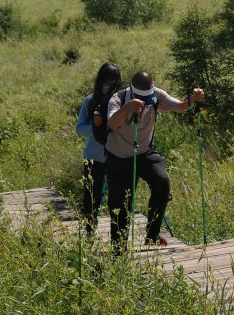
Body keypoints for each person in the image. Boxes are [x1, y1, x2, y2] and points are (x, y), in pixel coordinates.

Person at [105, 71, 205, 251]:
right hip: (119, 156)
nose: (145, 102)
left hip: (144, 151)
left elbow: (182, 106)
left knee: (162, 184)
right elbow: (112, 123)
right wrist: (127, 108)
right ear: (132, 91)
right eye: (141, 99)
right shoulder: (118, 98)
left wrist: (193, 99)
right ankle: (118, 247)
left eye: (148, 97)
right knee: (119, 204)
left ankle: (152, 234)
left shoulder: (157, 95)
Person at [75, 61, 121, 235]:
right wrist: (97, 129)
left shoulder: (122, 101)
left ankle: (117, 235)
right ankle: (89, 234)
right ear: (100, 80)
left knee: (117, 199)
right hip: (93, 157)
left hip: (116, 156)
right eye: (105, 80)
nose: (108, 84)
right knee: (91, 199)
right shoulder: (89, 100)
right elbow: (79, 128)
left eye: (112, 81)